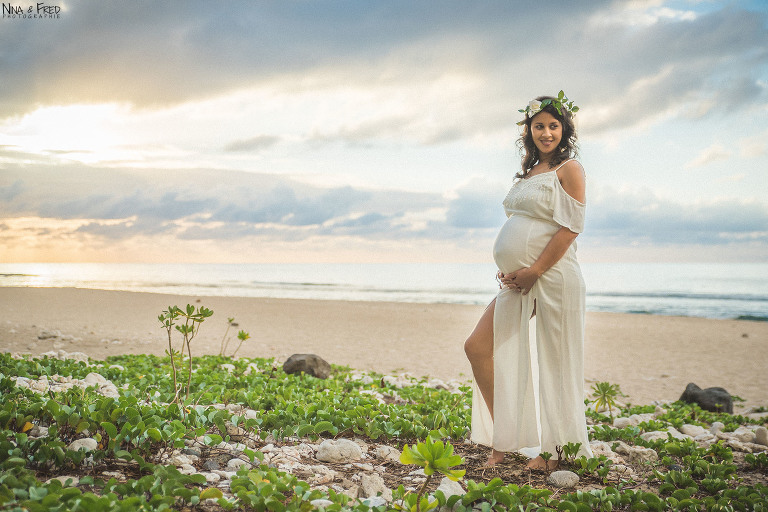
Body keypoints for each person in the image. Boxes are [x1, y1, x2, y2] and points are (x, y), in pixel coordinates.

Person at [464, 92, 593, 469]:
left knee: (556, 362)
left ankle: (556, 454)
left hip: (553, 277)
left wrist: (534, 269)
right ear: (529, 130)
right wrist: (511, 264)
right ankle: (505, 438)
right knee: (477, 347)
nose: (546, 132)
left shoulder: (569, 169)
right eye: (539, 126)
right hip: (518, 282)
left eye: (553, 126)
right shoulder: (529, 172)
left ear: (564, 129)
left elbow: (572, 227)